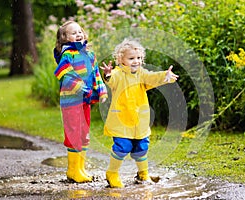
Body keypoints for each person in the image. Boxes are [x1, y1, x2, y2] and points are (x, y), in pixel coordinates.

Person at [100, 38, 179, 188]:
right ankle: (112, 173)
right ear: (120, 59)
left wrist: (164, 75)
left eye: (138, 58)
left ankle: (143, 174)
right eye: (131, 58)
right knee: (122, 146)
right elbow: (111, 80)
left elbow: (152, 77)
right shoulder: (118, 74)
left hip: (140, 121)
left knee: (142, 147)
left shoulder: (142, 74)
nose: (135, 61)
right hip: (122, 120)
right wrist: (108, 75)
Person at [53, 21, 107, 183]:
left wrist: (101, 90)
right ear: (65, 38)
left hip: (86, 101)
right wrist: (80, 86)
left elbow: (96, 74)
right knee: (74, 132)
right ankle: (72, 170)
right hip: (71, 100)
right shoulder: (67, 55)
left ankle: (80, 169)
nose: (78, 34)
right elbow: (62, 72)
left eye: (79, 31)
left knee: (84, 133)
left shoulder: (89, 55)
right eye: (73, 33)